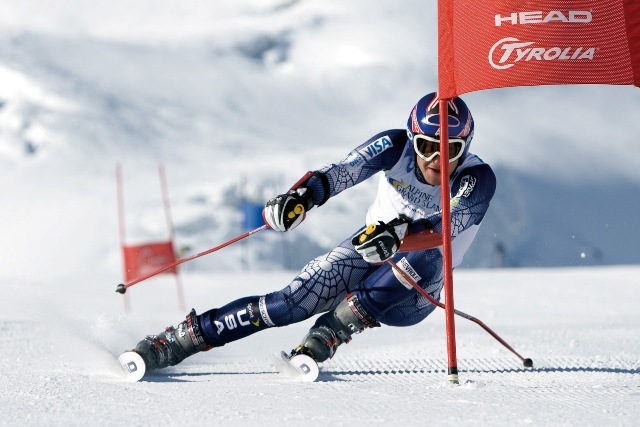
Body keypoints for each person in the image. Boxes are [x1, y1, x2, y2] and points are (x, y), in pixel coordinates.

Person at [128, 92, 496, 374]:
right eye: (427, 147)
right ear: (413, 140)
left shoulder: (477, 178)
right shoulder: (394, 146)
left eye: (451, 149)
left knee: (426, 255)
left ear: (465, 146)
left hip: (414, 294)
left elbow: (448, 226)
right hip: (368, 248)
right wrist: (301, 197)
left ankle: (332, 330)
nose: (438, 159)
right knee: (288, 304)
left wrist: (399, 235)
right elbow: (342, 172)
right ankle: (179, 341)